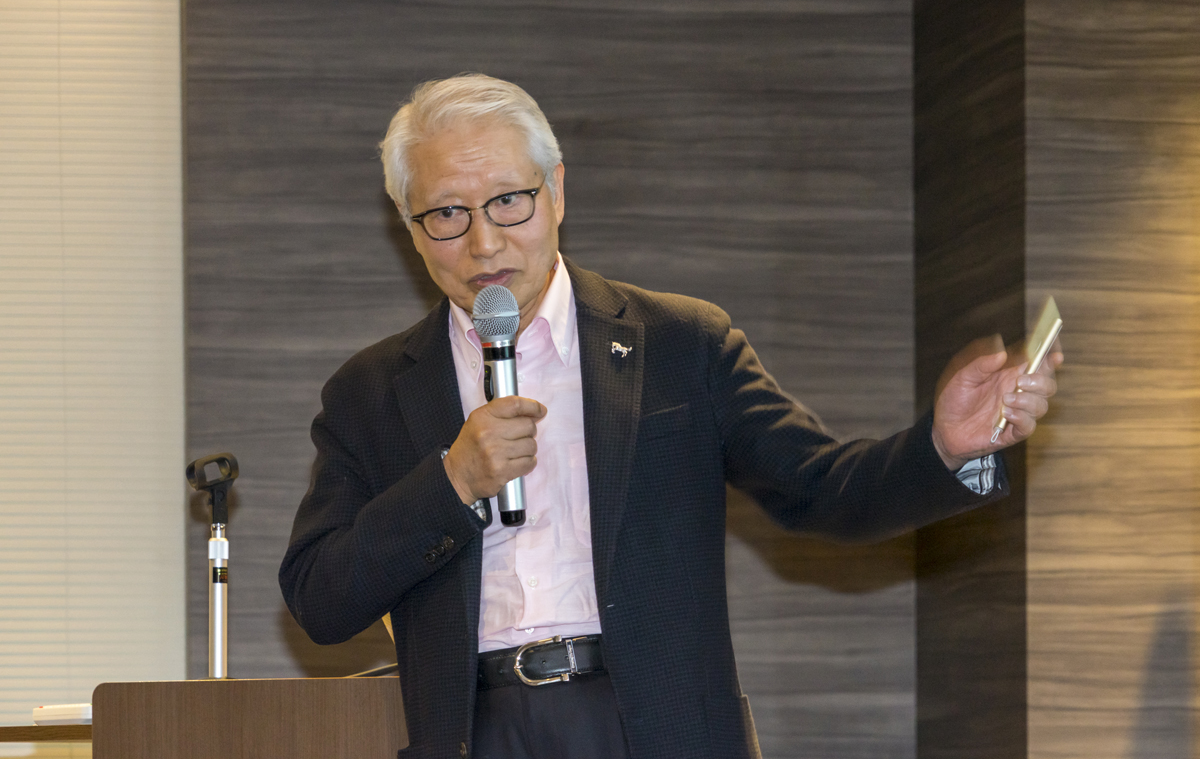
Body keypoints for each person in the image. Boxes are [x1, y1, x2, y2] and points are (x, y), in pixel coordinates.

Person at [279, 74, 1060, 759]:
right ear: (410, 226)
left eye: (509, 201)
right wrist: (450, 483)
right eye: (447, 213)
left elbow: (823, 489)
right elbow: (319, 598)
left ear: (556, 191)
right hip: (474, 730)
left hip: (650, 726)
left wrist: (944, 446)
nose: (484, 242)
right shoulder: (370, 392)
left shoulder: (681, 343)